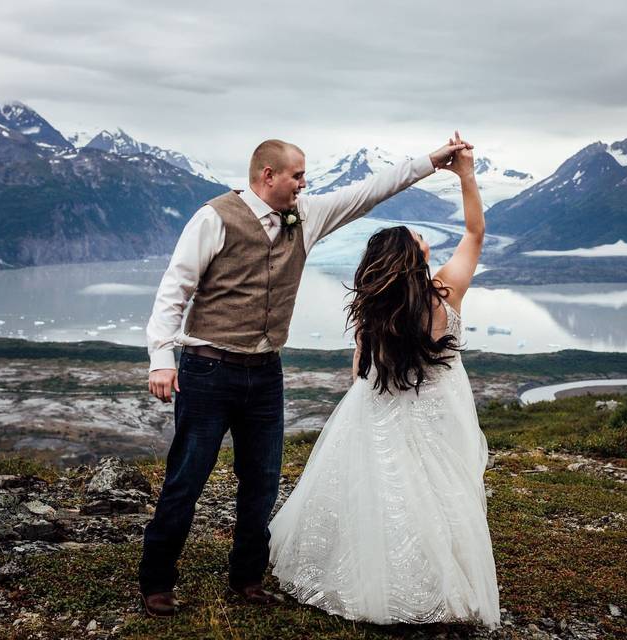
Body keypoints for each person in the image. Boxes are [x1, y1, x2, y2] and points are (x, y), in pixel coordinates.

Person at [138, 136, 469, 617]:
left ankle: (248, 577)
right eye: (296, 175)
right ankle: (156, 582)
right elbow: (176, 287)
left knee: (263, 479)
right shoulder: (214, 217)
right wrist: (161, 358)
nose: (304, 183)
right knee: (187, 478)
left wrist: (430, 162)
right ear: (266, 175)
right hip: (209, 369)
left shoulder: (306, 216)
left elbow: (368, 192)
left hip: (265, 372)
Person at [268, 132, 500, 628]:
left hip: (383, 412)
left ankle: (385, 581)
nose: (426, 239)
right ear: (413, 256)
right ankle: (442, 589)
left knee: (385, 496)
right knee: (442, 494)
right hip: (441, 414)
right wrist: (466, 176)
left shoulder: (376, 313)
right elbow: (475, 234)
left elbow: (360, 374)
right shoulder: (445, 294)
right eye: (420, 239)